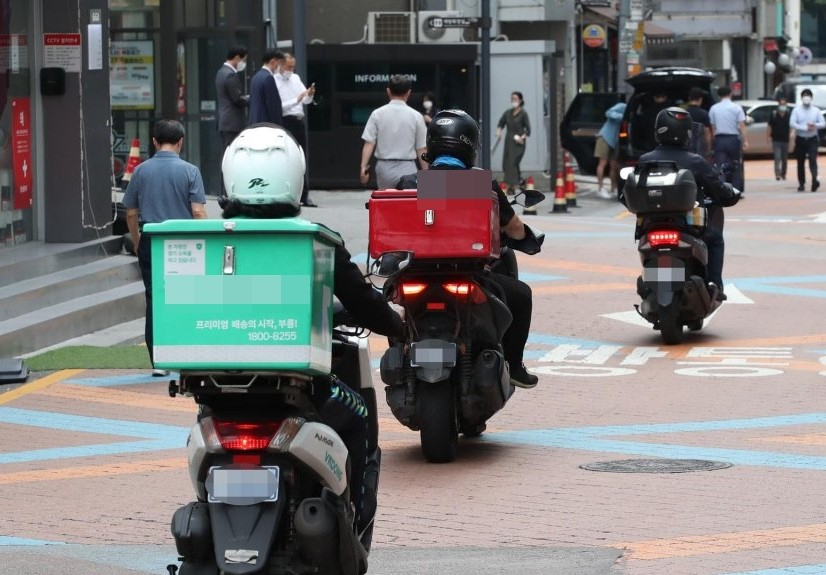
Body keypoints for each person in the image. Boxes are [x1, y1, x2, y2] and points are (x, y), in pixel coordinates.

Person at [219, 124, 404, 550]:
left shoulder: (207, 241)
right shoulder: (315, 241)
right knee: (357, 416)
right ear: (295, 177)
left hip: (218, 390)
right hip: (301, 387)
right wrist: (397, 328)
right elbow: (362, 302)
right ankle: (353, 528)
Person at [396, 109, 538, 389]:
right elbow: (513, 228)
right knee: (521, 295)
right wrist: (528, 238)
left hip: (415, 275)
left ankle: (402, 354)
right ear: (469, 145)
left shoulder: (409, 183)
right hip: (469, 276)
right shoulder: (482, 184)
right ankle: (515, 365)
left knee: (398, 317)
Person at [122, 120, 208, 377]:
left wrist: (137, 240)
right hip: (185, 243)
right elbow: (199, 211)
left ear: (154, 142)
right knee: (188, 299)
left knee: (154, 299)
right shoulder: (190, 171)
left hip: (151, 239)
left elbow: (130, 213)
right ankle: (188, 355)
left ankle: (158, 361)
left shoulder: (141, 171)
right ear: (181, 142)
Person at [636, 107, 742, 298]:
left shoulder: (645, 160)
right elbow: (719, 190)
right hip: (688, 228)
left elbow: (627, 193)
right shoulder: (695, 161)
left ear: (659, 130)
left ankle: (651, 282)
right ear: (687, 133)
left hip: (650, 228)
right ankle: (714, 284)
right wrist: (731, 193)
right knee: (715, 239)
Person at [359, 74, 428, 189]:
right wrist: (427, 173)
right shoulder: (416, 116)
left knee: (386, 202)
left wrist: (363, 167)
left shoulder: (377, 114)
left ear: (388, 91)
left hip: (384, 168)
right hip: (408, 167)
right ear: (408, 93)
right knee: (408, 203)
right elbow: (421, 148)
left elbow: (369, 143)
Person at [274, 53, 317, 207]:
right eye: (288, 66)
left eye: (293, 66)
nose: (291, 70)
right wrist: (296, 100)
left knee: (301, 157)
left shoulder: (295, 78)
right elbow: (280, 106)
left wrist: (309, 95)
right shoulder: (275, 81)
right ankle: (287, 193)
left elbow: (305, 98)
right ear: (280, 64)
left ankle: (304, 194)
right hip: (286, 121)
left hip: (298, 121)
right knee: (286, 157)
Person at [708, 86, 748, 191]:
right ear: (730, 94)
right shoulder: (736, 107)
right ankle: (735, 189)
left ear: (719, 95)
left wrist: (712, 141)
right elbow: (742, 125)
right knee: (735, 164)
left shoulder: (714, 108)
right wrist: (745, 140)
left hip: (719, 139)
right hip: (733, 138)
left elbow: (712, 127)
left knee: (719, 165)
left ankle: (722, 188)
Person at [790, 88, 826, 192]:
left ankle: (814, 180)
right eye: (804, 96)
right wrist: (804, 127)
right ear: (801, 98)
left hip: (812, 139)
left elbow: (823, 124)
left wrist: (814, 125)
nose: (806, 98)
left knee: (813, 160)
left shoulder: (816, 111)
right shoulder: (796, 110)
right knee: (800, 162)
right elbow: (792, 123)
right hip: (801, 138)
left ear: (811, 98)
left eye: (808, 96)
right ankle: (801, 183)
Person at [214, 46, 249, 152]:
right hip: (233, 123)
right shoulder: (230, 75)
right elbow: (237, 99)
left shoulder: (221, 72)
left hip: (225, 122)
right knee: (232, 154)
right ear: (237, 58)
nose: (244, 63)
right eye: (244, 60)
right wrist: (251, 99)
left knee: (226, 153)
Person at [495, 91, 531, 191]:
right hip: (509, 141)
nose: (513, 101)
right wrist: (499, 132)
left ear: (520, 100)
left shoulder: (524, 114)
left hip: (519, 142)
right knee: (508, 162)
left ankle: (510, 186)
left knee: (513, 162)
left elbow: (528, 130)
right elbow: (501, 123)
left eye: (515, 99)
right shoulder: (508, 113)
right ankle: (520, 181)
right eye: (512, 99)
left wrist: (522, 138)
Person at [595, 97, 627, 199]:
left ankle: (613, 189)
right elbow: (608, 113)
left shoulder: (632, 113)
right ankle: (600, 188)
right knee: (602, 163)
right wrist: (622, 116)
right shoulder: (623, 106)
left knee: (614, 165)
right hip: (605, 137)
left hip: (615, 141)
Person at [248, 49, 284, 125]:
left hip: (255, 122)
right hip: (266, 124)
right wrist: (278, 125)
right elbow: (273, 105)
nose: (279, 66)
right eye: (279, 62)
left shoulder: (256, 77)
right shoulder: (268, 78)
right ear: (273, 61)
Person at [768, 97, 791, 181]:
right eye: (781, 104)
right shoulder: (774, 114)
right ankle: (777, 174)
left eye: (784, 104)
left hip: (785, 139)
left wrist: (792, 134)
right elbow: (770, 126)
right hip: (776, 139)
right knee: (777, 157)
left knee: (784, 158)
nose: (782, 106)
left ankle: (783, 174)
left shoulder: (789, 114)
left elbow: (791, 126)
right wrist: (768, 136)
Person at [685, 87, 713, 157]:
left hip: (686, 147)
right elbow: (707, 132)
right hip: (700, 147)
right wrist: (709, 149)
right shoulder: (704, 113)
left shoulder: (684, 113)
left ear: (689, 98)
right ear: (700, 99)